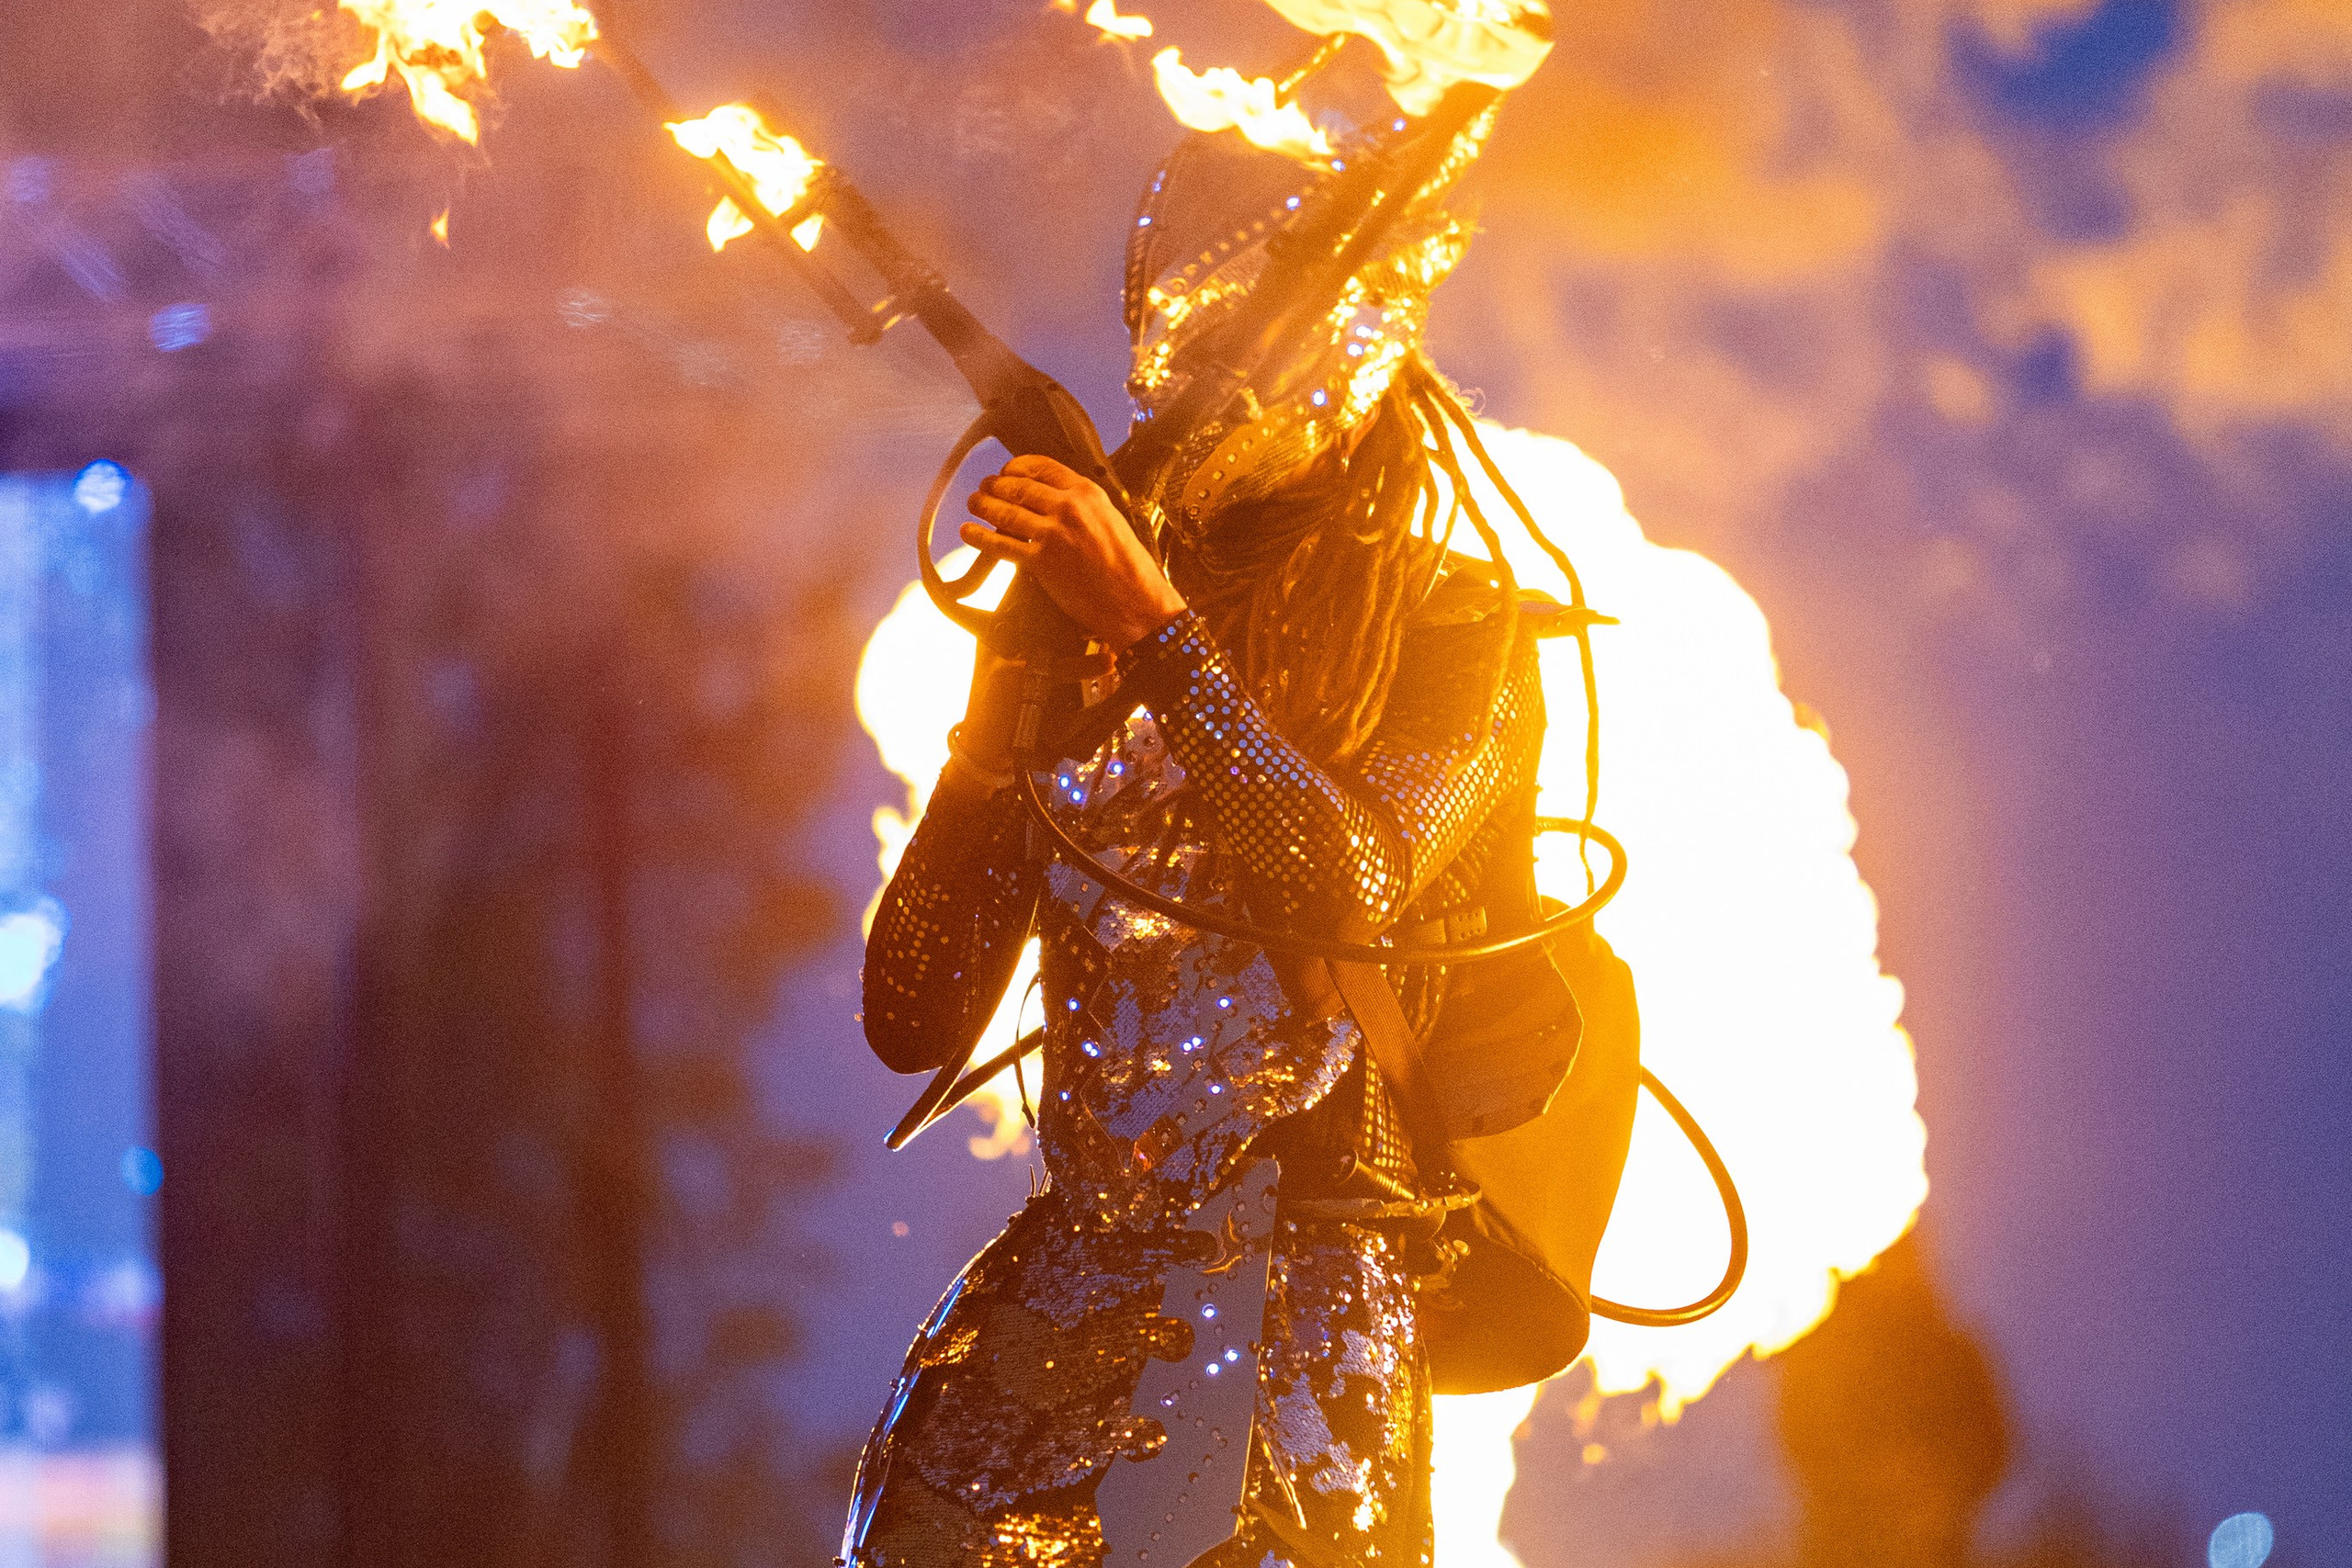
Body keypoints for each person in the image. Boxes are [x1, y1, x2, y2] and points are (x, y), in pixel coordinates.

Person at [842, 106, 1557, 1568]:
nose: (1190, 376)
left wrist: (1156, 633)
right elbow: (912, 1013)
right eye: (1169, 331)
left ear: (1357, 348)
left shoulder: (1454, 625)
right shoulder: (1083, 612)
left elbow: (1346, 882)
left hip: (1306, 1318)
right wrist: (1006, 704)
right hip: (1068, 1284)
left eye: (1236, 337)